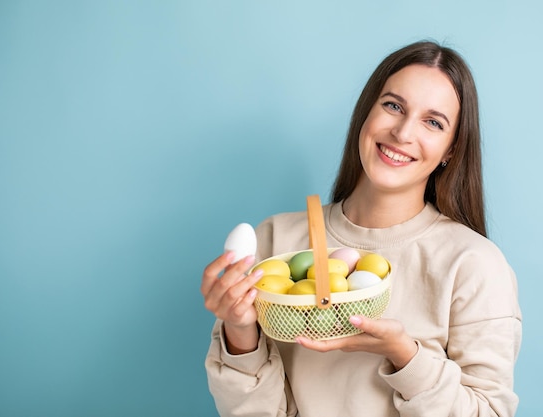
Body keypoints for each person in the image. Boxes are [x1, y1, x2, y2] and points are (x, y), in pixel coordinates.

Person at [201, 40, 522, 417]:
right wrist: (240, 333)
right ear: (366, 114)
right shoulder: (276, 240)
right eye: (393, 106)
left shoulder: (473, 264)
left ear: (450, 150)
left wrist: (404, 355)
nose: (403, 132)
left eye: (433, 123)